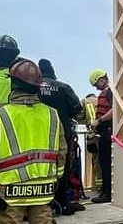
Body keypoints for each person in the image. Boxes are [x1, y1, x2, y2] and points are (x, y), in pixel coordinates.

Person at [0, 59, 66, 224]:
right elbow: (62, 152)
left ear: (13, 84)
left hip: (10, 189)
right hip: (44, 187)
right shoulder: (52, 115)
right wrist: (57, 179)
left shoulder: (0, 116)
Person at [35, 59, 83, 215]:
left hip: (38, 135)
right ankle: (62, 202)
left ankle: (41, 203)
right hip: (61, 133)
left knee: (38, 168)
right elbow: (77, 107)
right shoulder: (63, 87)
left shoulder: (33, 88)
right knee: (62, 167)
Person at [88, 69, 113, 204]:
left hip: (107, 131)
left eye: (96, 84)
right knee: (104, 163)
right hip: (104, 132)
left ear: (101, 80)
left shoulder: (110, 92)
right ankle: (105, 190)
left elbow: (115, 110)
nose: (96, 88)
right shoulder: (108, 92)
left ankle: (107, 193)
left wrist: (99, 120)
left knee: (106, 163)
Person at [79, 94, 99, 189]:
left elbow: (79, 116)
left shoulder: (85, 102)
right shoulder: (99, 100)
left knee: (96, 160)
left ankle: (98, 186)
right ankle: (101, 186)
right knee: (102, 160)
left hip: (92, 136)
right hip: (102, 134)